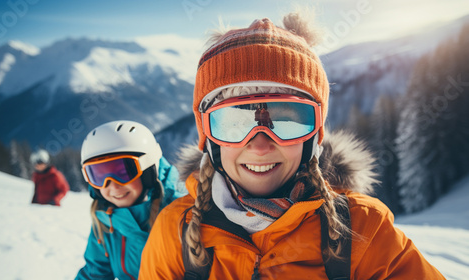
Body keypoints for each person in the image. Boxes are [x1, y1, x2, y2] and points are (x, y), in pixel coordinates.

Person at [139, 11, 445, 279]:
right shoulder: (175, 230)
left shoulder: (364, 229)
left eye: (287, 121)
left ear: (314, 135)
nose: (259, 146)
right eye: (234, 123)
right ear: (209, 137)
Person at [75, 120, 184, 280]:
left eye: (122, 172)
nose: (112, 186)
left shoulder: (183, 212)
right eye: (98, 176)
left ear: (148, 169)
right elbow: (95, 273)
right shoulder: (106, 220)